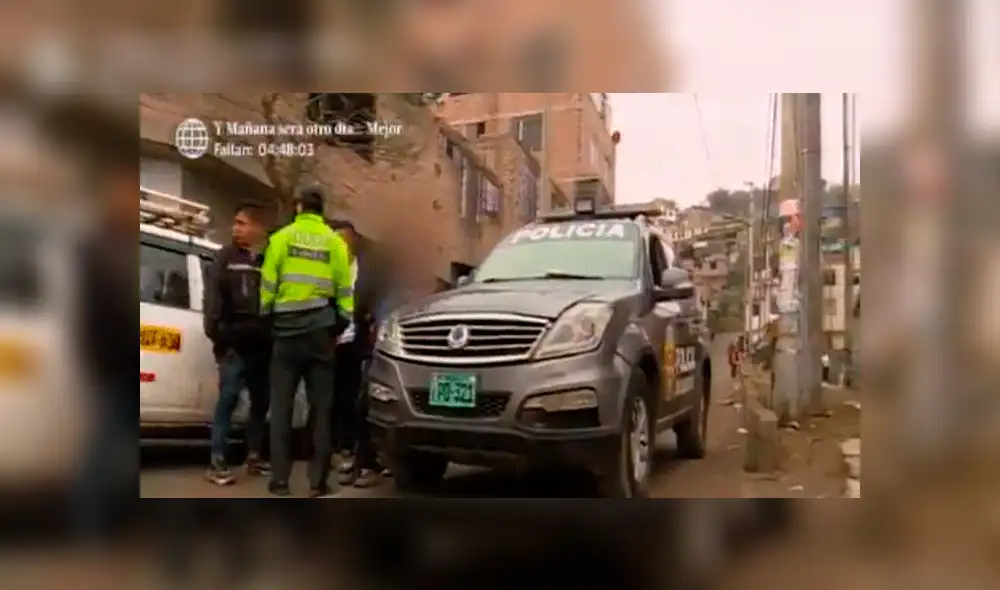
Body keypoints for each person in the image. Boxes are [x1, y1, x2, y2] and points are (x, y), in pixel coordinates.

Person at [260, 186, 353, 497]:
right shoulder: (335, 243)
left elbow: (268, 282)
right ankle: (317, 482)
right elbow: (344, 290)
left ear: (299, 207)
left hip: (286, 333)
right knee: (322, 410)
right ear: (321, 210)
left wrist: (267, 315)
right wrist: (340, 322)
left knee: (282, 407)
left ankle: (280, 481)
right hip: (320, 332)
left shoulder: (282, 238)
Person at [202, 205, 272, 485]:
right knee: (228, 400)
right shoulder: (225, 258)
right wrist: (221, 338)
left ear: (258, 228)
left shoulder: (267, 260)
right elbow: (213, 305)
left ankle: (254, 456)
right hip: (233, 346)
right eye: (235, 223)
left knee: (260, 404)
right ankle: (217, 460)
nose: (236, 228)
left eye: (243, 223)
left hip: (262, 346)